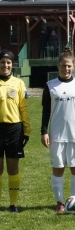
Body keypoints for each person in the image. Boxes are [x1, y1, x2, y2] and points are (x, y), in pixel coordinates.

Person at [40, 48, 75, 213]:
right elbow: (46, 111)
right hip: (56, 134)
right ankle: (60, 202)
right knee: (58, 169)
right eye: (63, 66)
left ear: (73, 66)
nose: (66, 69)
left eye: (69, 66)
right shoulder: (50, 86)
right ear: (58, 66)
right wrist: (44, 131)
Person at [0, 49, 31, 213]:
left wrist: (27, 130)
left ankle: (13, 204)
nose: (5, 65)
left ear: (12, 65)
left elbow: (23, 108)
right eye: (2, 62)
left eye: (8, 63)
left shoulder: (19, 83)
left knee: (13, 168)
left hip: (14, 129)